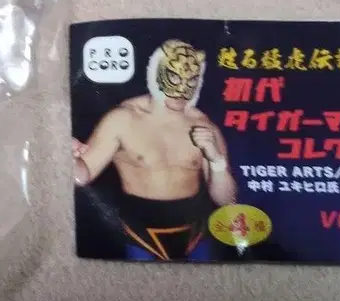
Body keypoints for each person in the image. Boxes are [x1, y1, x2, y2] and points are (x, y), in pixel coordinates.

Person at [73, 39, 237, 260]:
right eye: (175, 77)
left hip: (195, 234)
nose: (182, 88)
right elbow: (82, 176)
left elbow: (227, 199)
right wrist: (65, 153)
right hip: (138, 234)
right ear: (157, 72)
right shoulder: (122, 119)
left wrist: (216, 161)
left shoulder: (204, 126)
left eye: (191, 79)